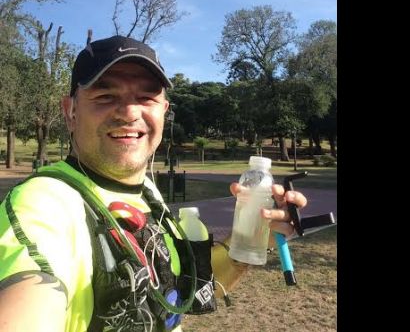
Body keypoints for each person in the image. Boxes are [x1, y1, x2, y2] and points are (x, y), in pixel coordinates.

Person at [0, 36, 307, 331]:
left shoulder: (147, 193)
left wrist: (250, 239)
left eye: (146, 97)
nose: (130, 112)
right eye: (105, 96)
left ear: (164, 111)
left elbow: (188, 292)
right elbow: (30, 301)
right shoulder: (44, 204)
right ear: (70, 111)